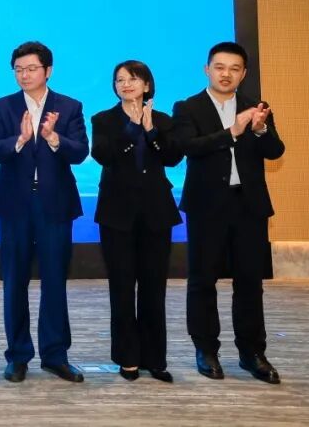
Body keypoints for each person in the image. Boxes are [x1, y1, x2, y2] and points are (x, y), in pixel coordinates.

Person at [172, 41, 285, 384]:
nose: (226, 74)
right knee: (202, 280)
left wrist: (260, 129)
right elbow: (188, 147)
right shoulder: (188, 107)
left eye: (234, 69)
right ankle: (206, 350)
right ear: (207, 69)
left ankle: (253, 353)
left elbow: (275, 151)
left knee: (250, 282)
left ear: (243, 73)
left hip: (248, 205)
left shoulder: (257, 107)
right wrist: (232, 132)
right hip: (207, 206)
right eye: (220, 67)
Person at [0, 41, 89, 383]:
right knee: (14, 281)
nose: (24, 75)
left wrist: (54, 138)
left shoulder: (69, 107)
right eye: (18, 70)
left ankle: (55, 356)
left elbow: (80, 152)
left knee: (55, 281)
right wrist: (20, 139)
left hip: (54, 205)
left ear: (48, 71)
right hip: (14, 206)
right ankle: (17, 356)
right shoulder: (2, 107)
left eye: (31, 69)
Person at [90, 60, 183, 383]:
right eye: (119, 80)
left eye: (132, 79)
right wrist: (131, 128)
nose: (126, 84)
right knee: (122, 287)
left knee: (154, 288)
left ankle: (155, 359)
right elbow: (103, 155)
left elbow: (172, 157)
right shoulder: (103, 119)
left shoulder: (163, 119)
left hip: (156, 213)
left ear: (147, 85)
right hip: (116, 215)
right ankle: (127, 358)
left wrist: (150, 130)